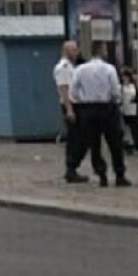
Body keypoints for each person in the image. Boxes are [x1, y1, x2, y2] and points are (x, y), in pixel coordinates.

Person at [69, 41, 129, 187]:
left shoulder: (80, 69)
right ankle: (119, 174)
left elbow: (73, 91)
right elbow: (115, 90)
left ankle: (101, 173)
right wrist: (115, 100)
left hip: (88, 108)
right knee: (114, 142)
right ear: (102, 51)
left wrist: (81, 101)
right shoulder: (109, 69)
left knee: (94, 144)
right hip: (106, 107)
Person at [54, 41, 87, 184]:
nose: (76, 52)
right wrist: (69, 109)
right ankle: (71, 168)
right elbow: (63, 88)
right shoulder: (64, 67)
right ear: (65, 51)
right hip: (71, 104)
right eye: (73, 50)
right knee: (76, 138)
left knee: (81, 137)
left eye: (76, 49)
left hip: (76, 104)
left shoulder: (72, 67)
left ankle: (73, 166)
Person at [120, 69, 138, 153]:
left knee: (134, 126)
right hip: (124, 109)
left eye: (126, 77)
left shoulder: (133, 86)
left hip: (133, 109)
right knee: (126, 127)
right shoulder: (121, 87)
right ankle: (129, 144)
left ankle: (137, 144)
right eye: (123, 77)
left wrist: (136, 102)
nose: (124, 78)